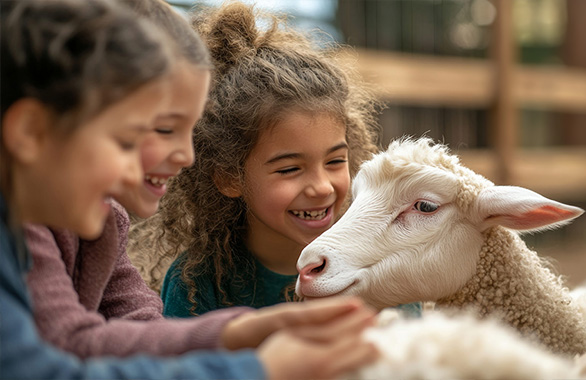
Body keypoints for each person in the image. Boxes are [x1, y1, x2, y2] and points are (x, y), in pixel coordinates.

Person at [0, 0, 377, 378]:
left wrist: (239, 333)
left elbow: (120, 330)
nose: (187, 156)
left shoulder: (92, 220)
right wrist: (258, 369)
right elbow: (55, 359)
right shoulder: (27, 227)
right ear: (31, 132)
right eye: (131, 137)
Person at [136, 1, 380, 317]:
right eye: (291, 169)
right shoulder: (199, 283)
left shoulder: (376, 262)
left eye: (335, 162)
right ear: (229, 178)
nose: (321, 187)